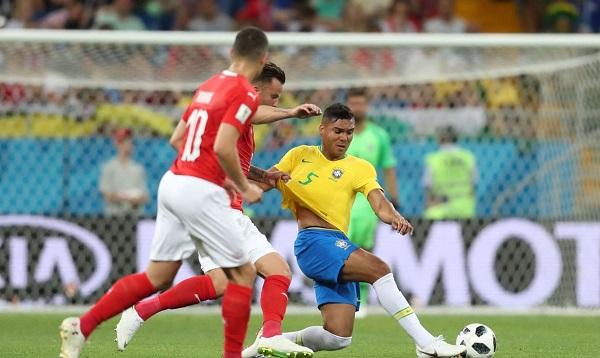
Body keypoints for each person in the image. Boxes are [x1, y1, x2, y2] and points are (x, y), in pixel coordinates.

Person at [59, 26, 269, 358]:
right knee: (243, 274)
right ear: (263, 59)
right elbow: (225, 145)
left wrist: (212, 171)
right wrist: (244, 185)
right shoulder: (246, 92)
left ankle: (81, 327)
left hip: (173, 182)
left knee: (157, 275)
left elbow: (177, 140)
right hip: (200, 190)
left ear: (232, 53)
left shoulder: (207, 87)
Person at [113, 62, 319, 358]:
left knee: (235, 280)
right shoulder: (240, 105)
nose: (277, 102)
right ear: (256, 90)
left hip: (221, 209)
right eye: (274, 97)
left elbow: (232, 162)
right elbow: (252, 117)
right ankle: (268, 336)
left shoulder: (230, 113)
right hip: (218, 210)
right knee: (264, 274)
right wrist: (291, 112)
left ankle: (143, 310)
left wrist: (264, 177)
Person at [243, 103, 466, 358]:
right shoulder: (298, 155)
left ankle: (267, 341)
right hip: (313, 241)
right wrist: (233, 180)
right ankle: (426, 343)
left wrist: (393, 216)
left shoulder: (360, 167)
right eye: (338, 131)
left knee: (337, 337)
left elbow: (379, 201)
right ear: (322, 129)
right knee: (379, 270)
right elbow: (261, 184)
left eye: (349, 132)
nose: (344, 138)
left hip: (337, 242)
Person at [345, 87, 400, 318]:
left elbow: (388, 167)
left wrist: (394, 199)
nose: (357, 108)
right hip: (342, 199)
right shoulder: (340, 133)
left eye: (361, 103)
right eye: (353, 104)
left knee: (365, 250)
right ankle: (344, 299)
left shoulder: (379, 136)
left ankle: (362, 299)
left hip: (368, 201)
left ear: (367, 106)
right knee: (342, 250)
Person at [422, 126, 477, 220]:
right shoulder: (468, 157)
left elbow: (428, 188)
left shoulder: (433, 159)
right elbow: (473, 185)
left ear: (440, 139)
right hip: (465, 209)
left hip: (440, 210)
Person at [99, 128, 149, 216]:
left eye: (130, 142)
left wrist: (127, 197)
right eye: (124, 142)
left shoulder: (137, 169)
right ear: (117, 144)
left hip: (134, 215)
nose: (128, 144)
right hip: (114, 216)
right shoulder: (109, 167)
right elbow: (106, 195)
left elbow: (144, 197)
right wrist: (126, 197)